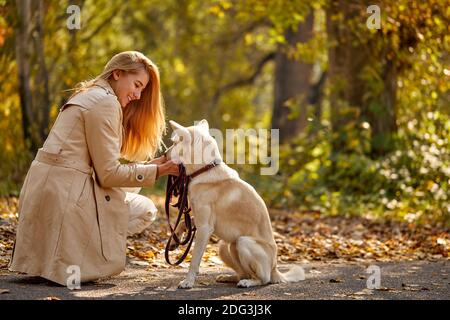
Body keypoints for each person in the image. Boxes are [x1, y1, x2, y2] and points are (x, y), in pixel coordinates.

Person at [9, 51, 179, 286]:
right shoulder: (105, 103)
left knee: (135, 189)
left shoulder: (89, 94)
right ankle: (88, 253)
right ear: (118, 73)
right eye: (137, 85)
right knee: (146, 208)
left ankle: (74, 251)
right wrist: (159, 171)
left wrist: (151, 166)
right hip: (65, 195)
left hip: (47, 190)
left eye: (142, 90)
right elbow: (108, 174)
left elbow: (102, 168)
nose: (138, 95)